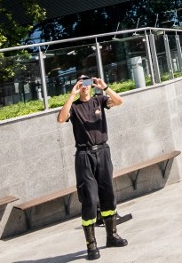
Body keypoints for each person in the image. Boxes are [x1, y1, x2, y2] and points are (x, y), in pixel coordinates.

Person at [56, 75, 128, 260]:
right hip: (84, 155)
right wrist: (71, 96)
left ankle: (112, 236)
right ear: (77, 87)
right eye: (81, 84)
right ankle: (91, 245)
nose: (84, 87)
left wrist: (104, 87)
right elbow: (61, 118)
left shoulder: (99, 100)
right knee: (89, 199)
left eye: (87, 83)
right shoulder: (74, 106)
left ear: (91, 85)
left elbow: (120, 101)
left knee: (108, 194)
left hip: (103, 152)